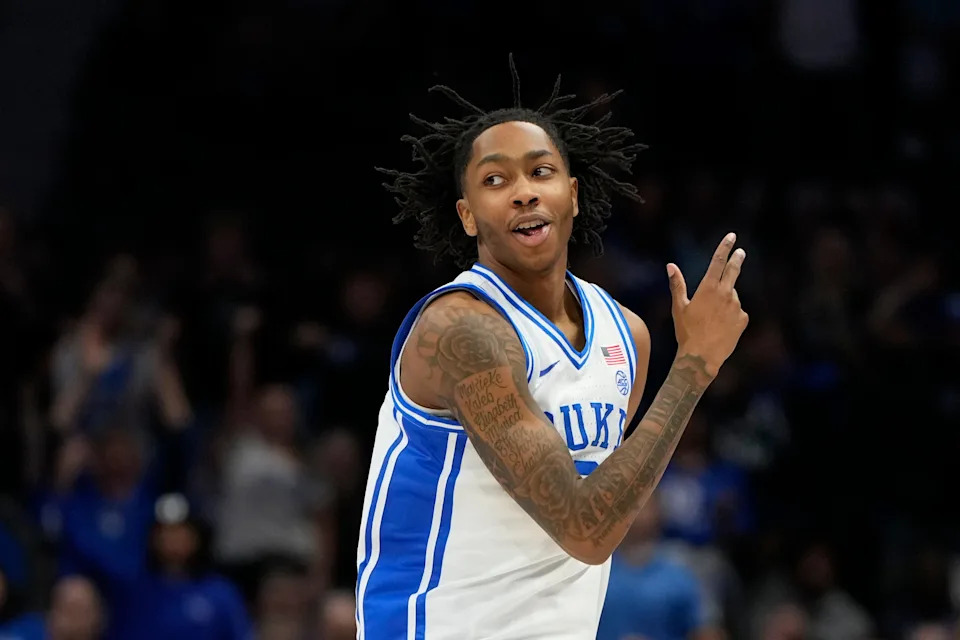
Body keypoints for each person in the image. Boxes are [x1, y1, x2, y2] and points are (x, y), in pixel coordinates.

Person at [355, 56, 749, 640]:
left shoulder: (626, 335)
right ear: (466, 216)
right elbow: (587, 530)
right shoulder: (463, 331)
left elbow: (615, 496)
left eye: (540, 172)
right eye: (495, 180)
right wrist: (693, 368)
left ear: (573, 193)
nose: (522, 194)